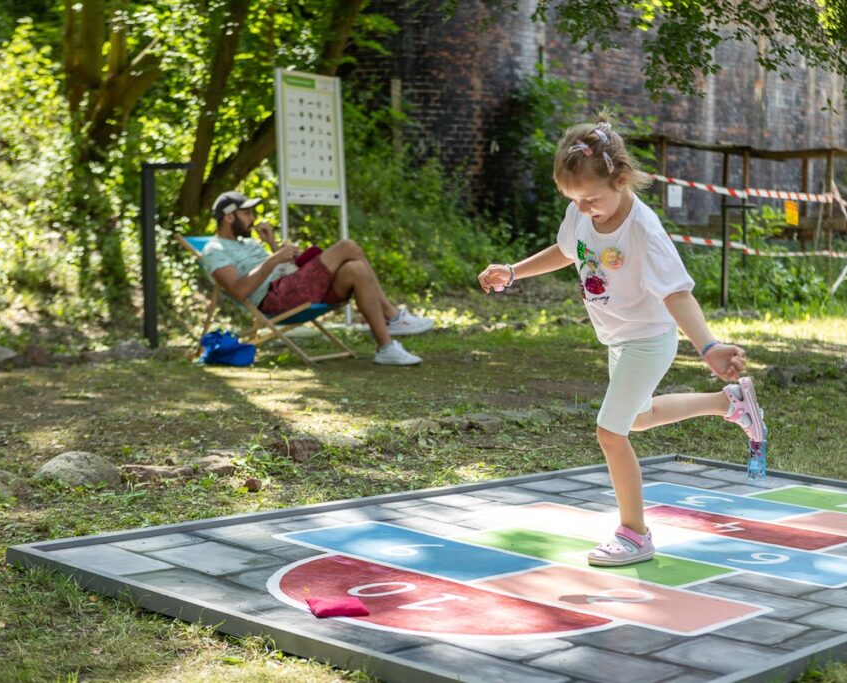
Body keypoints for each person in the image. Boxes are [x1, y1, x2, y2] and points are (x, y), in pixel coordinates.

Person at [477, 115, 767, 567]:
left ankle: (635, 534)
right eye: (574, 200)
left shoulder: (643, 231)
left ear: (621, 179)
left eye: (591, 199)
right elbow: (566, 250)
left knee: (610, 432)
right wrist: (514, 271)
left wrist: (709, 348)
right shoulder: (582, 212)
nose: (584, 208)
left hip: (648, 339)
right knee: (638, 419)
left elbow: (677, 294)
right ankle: (728, 404)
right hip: (618, 338)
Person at [202, 191, 433, 365]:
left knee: (356, 269)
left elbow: (280, 266)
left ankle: (386, 348)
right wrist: (274, 258)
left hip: (291, 284)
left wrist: (272, 245)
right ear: (229, 217)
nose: (252, 218)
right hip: (274, 297)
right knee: (347, 246)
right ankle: (393, 317)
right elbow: (239, 290)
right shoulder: (214, 250)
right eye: (246, 213)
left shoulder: (249, 243)